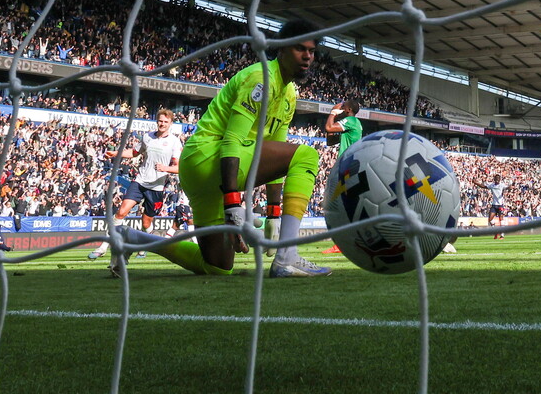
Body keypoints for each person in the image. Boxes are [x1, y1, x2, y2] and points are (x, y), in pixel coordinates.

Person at [108, 19, 330, 278]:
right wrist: (233, 203)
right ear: (281, 49)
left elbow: (277, 151)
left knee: (216, 267)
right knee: (308, 155)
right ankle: (288, 255)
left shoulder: (289, 94)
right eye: (299, 49)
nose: (307, 56)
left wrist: (274, 214)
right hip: (209, 158)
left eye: (312, 51)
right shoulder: (261, 78)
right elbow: (232, 140)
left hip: (200, 172)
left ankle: (131, 238)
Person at [89, 109, 182, 262]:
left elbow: (179, 167)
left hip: (157, 188)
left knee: (146, 222)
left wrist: (166, 168)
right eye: (160, 121)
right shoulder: (148, 137)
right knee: (121, 212)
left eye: (166, 122)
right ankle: (103, 247)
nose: (162, 124)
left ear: (170, 124)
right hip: (140, 181)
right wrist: (116, 153)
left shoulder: (174, 142)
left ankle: (146, 245)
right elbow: (134, 152)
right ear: (157, 121)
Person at [321, 99, 363, 254]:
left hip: (347, 167)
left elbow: (328, 127)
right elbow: (330, 140)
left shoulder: (351, 120)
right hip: (349, 167)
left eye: (342, 106)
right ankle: (351, 240)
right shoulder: (353, 125)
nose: (340, 108)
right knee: (343, 206)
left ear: (348, 109)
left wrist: (332, 113)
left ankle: (341, 243)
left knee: (339, 206)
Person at [473, 173, 509, 240]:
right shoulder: (492, 185)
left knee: (501, 219)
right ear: (494, 179)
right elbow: (483, 186)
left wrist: (510, 187)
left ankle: (502, 235)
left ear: (500, 179)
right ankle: (495, 232)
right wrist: (476, 183)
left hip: (500, 205)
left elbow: (507, 188)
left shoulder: (502, 185)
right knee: (490, 219)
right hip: (494, 205)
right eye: (496, 179)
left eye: (498, 179)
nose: (497, 180)